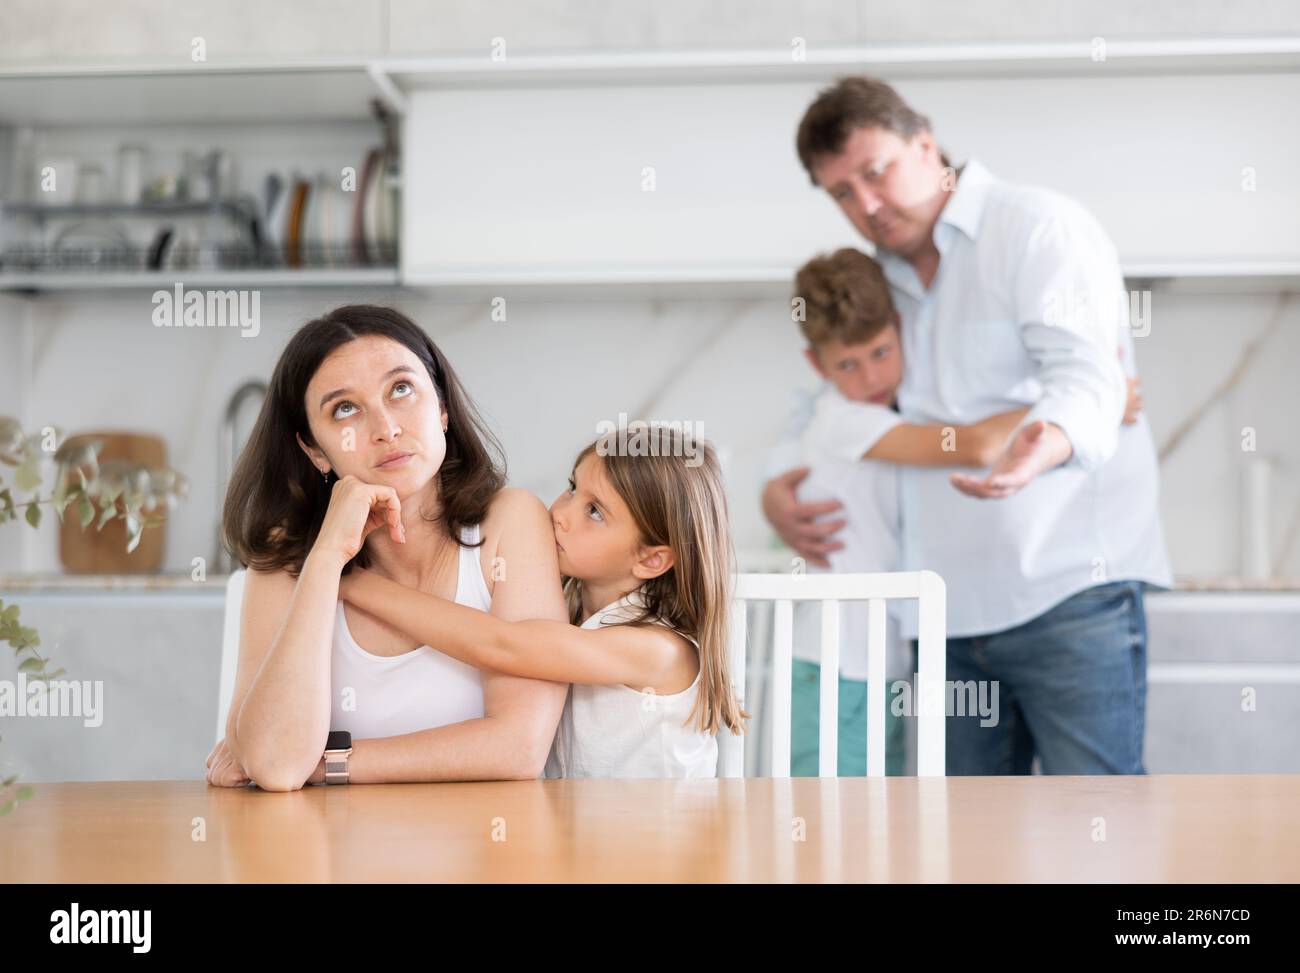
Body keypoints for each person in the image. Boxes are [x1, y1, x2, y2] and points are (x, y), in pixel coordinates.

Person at [763, 77, 1172, 775]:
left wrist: (1046, 440)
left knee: (1098, 829)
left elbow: (1088, 381)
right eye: (840, 193)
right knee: (963, 848)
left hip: (1067, 592)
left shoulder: (1037, 229)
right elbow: (820, 405)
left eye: (875, 171)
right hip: (941, 616)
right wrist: (774, 485)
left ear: (925, 144)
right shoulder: (874, 281)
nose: (865, 205)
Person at [205, 304, 568, 790]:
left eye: (401, 389)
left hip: (489, 858)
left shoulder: (510, 521)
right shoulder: (286, 556)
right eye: (345, 409)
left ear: (441, 407)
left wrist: (327, 763)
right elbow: (275, 764)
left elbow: (518, 747)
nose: (385, 428)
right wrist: (326, 558)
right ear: (314, 450)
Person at [338, 430, 747, 777]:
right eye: (572, 487)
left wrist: (352, 582)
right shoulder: (574, 615)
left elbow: (502, 645)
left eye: (595, 512)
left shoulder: (658, 651)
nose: (561, 513)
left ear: (650, 559)